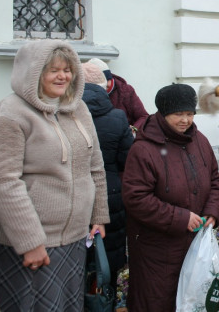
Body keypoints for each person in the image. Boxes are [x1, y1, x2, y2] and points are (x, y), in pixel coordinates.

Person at [0, 39, 109, 311]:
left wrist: (98, 216)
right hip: (30, 245)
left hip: (74, 241)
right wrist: (30, 242)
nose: (63, 76)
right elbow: (4, 182)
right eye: (53, 69)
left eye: (67, 69)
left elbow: (95, 167)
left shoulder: (78, 110)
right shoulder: (10, 113)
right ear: (34, 72)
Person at [122, 83, 219, 312]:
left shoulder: (200, 141)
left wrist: (211, 211)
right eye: (178, 114)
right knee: (157, 301)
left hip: (193, 245)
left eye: (189, 114)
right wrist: (180, 218)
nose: (185, 120)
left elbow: (215, 180)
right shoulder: (144, 149)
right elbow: (136, 198)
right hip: (156, 249)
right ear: (163, 113)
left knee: (190, 299)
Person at [81, 62, 134, 290]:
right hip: (111, 194)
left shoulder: (61, 115)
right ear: (105, 87)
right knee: (108, 259)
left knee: (76, 263)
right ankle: (105, 299)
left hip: (75, 195)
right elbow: (127, 159)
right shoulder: (117, 117)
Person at [87, 58, 149, 131]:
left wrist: (134, 129)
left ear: (109, 78)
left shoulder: (126, 91)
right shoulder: (87, 94)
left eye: (105, 83)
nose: (103, 87)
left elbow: (143, 116)